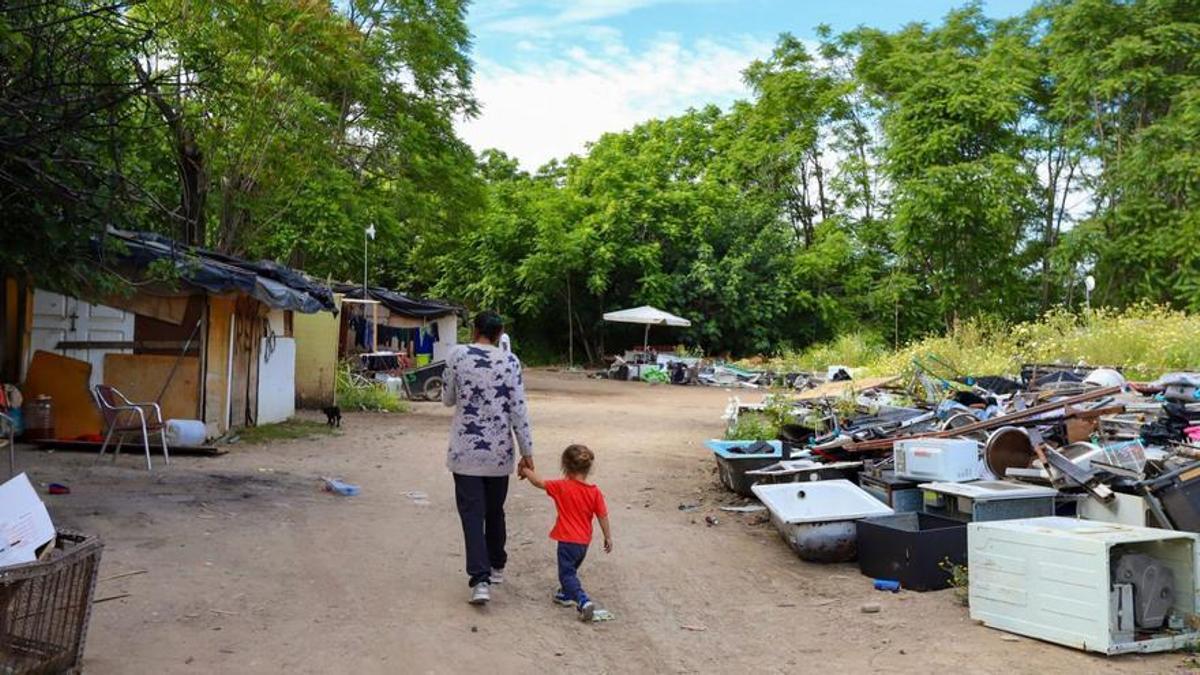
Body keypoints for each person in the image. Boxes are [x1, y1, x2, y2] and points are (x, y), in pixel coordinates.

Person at [442, 311, 534, 605]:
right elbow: (519, 410)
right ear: (500, 332)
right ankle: (497, 564)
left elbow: (447, 399)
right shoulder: (511, 361)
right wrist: (527, 453)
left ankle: (479, 580)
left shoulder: (456, 355)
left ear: (474, 330)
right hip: (499, 454)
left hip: (465, 452)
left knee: (472, 514)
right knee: (495, 510)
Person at [519, 444, 612, 622]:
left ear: (565, 466)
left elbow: (539, 482)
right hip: (583, 543)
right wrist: (608, 536)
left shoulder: (562, 486)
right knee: (571, 569)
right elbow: (602, 515)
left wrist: (525, 469)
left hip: (567, 540)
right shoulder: (594, 492)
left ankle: (583, 601)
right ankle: (564, 594)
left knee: (567, 574)